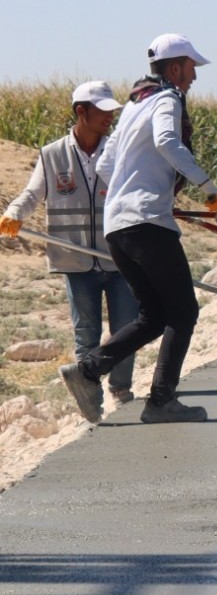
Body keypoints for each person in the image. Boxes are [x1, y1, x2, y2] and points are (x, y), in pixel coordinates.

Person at [57, 34, 217, 425]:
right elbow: (168, 140)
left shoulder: (136, 105)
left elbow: (104, 165)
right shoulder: (166, 100)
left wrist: (138, 189)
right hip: (148, 222)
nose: (193, 78)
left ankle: (86, 371)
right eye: (190, 69)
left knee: (154, 315)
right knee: (183, 312)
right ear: (174, 68)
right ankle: (161, 401)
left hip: (119, 227)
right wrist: (209, 190)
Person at [1, 82, 141, 407]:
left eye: (111, 110)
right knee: (86, 332)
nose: (110, 116)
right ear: (82, 111)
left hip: (119, 257)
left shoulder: (118, 152)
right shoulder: (52, 154)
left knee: (127, 329)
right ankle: (89, 396)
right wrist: (13, 213)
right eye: (102, 110)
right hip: (76, 261)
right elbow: (33, 194)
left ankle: (122, 391)